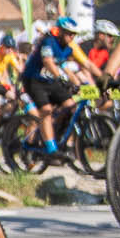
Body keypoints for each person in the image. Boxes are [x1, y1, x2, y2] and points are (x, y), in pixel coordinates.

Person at [19, 18, 85, 157]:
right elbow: (48, 61)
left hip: (49, 82)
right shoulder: (48, 42)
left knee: (71, 106)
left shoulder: (67, 48)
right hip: (33, 79)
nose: (72, 37)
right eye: (69, 33)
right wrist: (61, 78)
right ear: (61, 32)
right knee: (46, 110)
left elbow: (67, 68)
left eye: (74, 34)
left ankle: (58, 136)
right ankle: (51, 149)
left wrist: (79, 84)